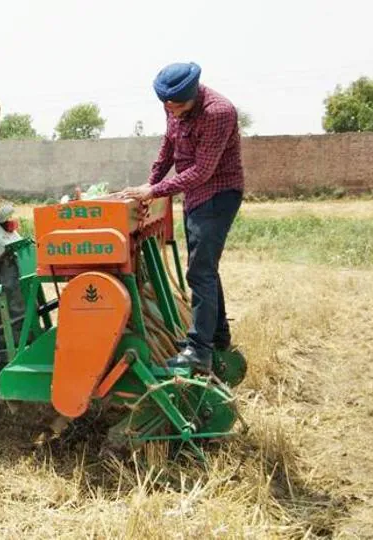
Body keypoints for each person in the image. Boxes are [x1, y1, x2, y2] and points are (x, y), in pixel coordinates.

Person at [117, 62, 244, 374]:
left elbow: (202, 171)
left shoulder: (218, 112)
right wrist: (150, 184)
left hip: (218, 193)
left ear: (192, 96)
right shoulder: (172, 106)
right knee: (205, 269)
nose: (171, 111)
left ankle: (200, 353)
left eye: (177, 106)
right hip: (194, 195)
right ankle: (217, 337)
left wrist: (156, 191)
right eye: (166, 106)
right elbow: (169, 148)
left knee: (200, 273)